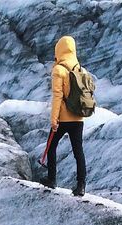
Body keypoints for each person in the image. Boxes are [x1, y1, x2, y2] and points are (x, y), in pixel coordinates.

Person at [44, 35, 87, 196]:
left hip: (63, 118)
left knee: (51, 147)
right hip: (78, 117)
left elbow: (57, 96)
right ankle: (81, 186)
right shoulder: (79, 69)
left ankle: (51, 179)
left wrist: (54, 119)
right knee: (78, 151)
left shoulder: (59, 69)